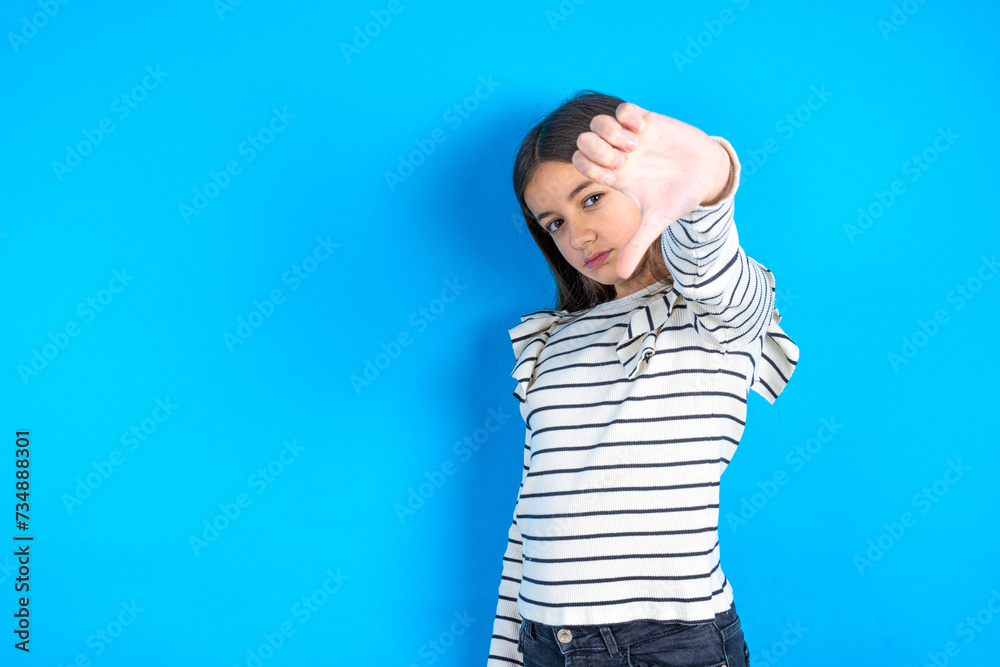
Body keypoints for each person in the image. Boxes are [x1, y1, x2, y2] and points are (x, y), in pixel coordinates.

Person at [486, 90, 800, 667]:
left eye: (593, 198)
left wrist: (710, 178)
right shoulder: (550, 343)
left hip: (664, 641)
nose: (576, 235)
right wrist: (508, 654)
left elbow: (709, 255)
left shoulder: (716, 313)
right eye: (554, 221)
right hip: (544, 639)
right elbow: (532, 510)